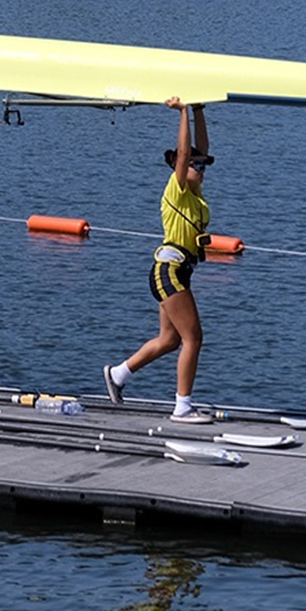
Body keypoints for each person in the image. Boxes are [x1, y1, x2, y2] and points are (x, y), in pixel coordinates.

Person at [101, 98, 214, 421]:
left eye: (204, 166)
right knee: (193, 338)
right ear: (182, 167)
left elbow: (199, 150)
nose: (202, 170)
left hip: (176, 270)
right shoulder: (177, 188)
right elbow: (184, 155)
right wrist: (181, 114)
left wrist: (198, 111)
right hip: (171, 270)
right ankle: (183, 407)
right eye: (197, 166)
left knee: (170, 339)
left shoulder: (196, 194)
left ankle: (118, 375)